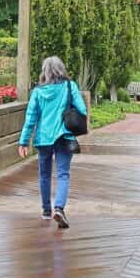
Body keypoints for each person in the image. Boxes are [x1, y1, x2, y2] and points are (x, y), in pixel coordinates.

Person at [18, 56, 89, 229]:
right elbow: (82, 109)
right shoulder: (70, 86)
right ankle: (59, 208)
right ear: (61, 69)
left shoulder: (37, 92)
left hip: (43, 138)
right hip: (64, 137)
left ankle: (46, 210)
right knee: (63, 174)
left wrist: (23, 141)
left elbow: (30, 118)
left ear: (45, 71)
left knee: (44, 175)